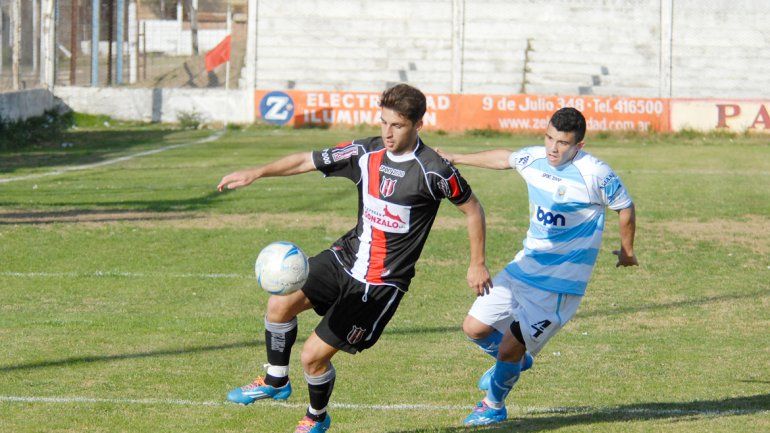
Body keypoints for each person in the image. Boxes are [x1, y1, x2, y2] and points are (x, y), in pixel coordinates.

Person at [216, 83, 492, 433]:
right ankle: (275, 380)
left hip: (379, 284)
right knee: (279, 304)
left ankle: (317, 417)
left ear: (418, 124)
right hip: (344, 257)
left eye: (397, 125)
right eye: (383, 123)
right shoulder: (366, 151)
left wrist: (477, 262)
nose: (387, 133)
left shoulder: (434, 170)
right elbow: (307, 159)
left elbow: (473, 209)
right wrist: (256, 172)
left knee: (312, 357)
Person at [437, 107, 638, 426]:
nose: (553, 148)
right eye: (549, 138)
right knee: (474, 327)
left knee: (507, 349)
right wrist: (456, 157)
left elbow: (624, 208)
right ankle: (517, 361)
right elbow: (505, 158)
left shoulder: (596, 174)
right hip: (523, 268)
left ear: (579, 146)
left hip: (558, 284)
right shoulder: (535, 159)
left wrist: (627, 251)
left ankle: (493, 405)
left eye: (562, 143)